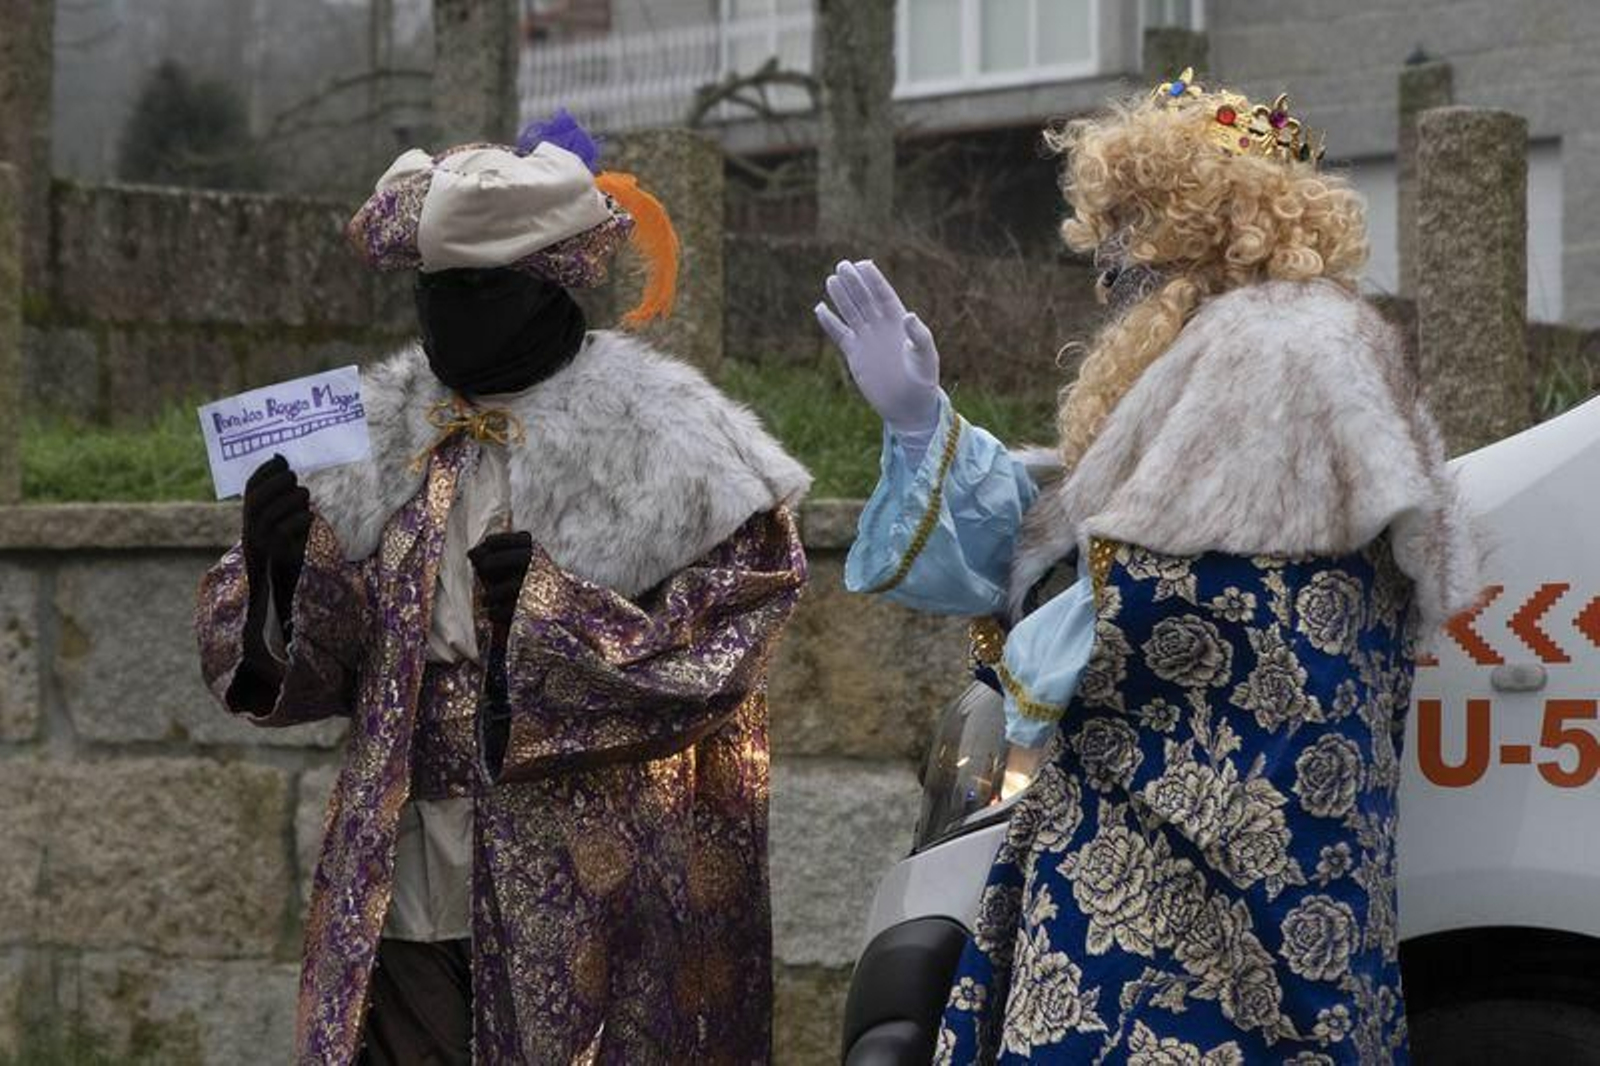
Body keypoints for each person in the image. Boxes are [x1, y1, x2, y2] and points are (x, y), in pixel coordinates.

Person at [816, 69, 1481, 1064]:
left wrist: (1046, 641)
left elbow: (1217, 613)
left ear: (1202, 222)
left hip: (1209, 873)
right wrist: (924, 425)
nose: (1107, 260)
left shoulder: (1277, 354)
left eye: (1128, 222)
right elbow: (1087, 528)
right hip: (1184, 848)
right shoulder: (1242, 349)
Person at [196, 112, 811, 1064]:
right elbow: (329, 665)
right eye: (432, 292)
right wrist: (285, 573)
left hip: (590, 870)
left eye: (474, 291)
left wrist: (554, 616)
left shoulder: (674, 437)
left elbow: (724, 650)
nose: (445, 318)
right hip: (401, 870)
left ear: (545, 288)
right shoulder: (373, 429)